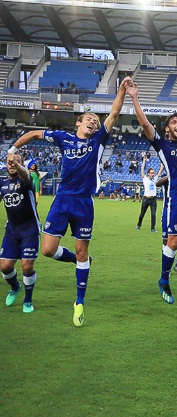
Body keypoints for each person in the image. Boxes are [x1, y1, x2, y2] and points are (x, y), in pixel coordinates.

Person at [7, 76, 131, 326]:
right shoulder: (64, 139)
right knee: (48, 250)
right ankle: (78, 261)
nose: (94, 122)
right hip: (62, 200)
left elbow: (115, 112)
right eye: (89, 119)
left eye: (96, 121)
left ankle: (79, 301)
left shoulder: (97, 141)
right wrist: (11, 151)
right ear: (78, 122)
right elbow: (33, 133)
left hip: (84, 203)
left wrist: (122, 90)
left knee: (82, 249)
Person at [127, 78, 177, 304]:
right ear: (167, 128)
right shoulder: (163, 145)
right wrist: (134, 98)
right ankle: (164, 280)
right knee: (172, 243)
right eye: (174, 122)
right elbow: (145, 125)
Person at [0, 154, 40, 313]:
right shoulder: (2, 182)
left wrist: (17, 165)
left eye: (16, 160)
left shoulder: (26, 179)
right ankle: (15, 287)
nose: (12, 163)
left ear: (22, 164)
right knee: (5, 266)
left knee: (27, 267)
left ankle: (28, 301)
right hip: (12, 230)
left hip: (30, 229)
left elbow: (25, 176)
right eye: (9, 161)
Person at [136, 157, 162, 232]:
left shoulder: (155, 179)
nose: (152, 174)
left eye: (153, 173)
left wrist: (162, 164)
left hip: (153, 199)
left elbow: (160, 171)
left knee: (153, 214)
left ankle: (153, 228)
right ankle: (138, 225)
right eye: (151, 173)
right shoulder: (145, 179)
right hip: (146, 199)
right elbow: (142, 169)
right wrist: (144, 161)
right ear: (148, 173)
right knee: (142, 213)